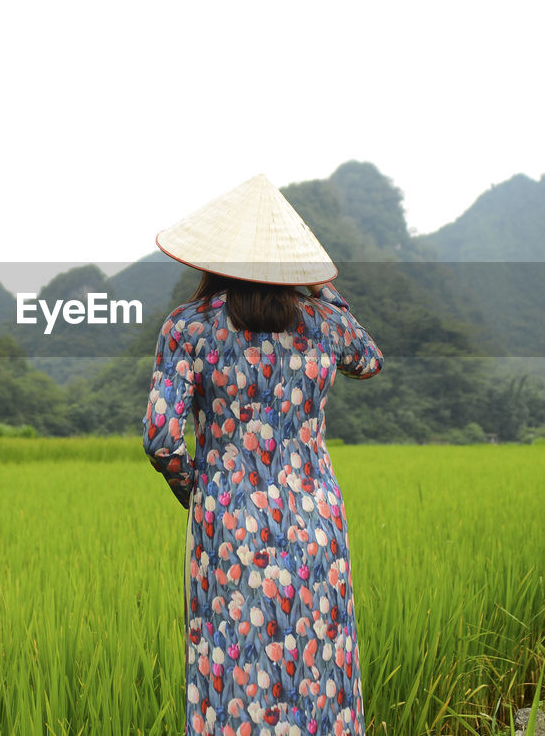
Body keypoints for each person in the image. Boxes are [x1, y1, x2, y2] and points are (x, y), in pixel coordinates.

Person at [143, 174, 383, 736]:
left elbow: (161, 437)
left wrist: (199, 491)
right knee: (318, 663)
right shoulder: (323, 324)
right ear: (293, 263)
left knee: (232, 665)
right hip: (316, 522)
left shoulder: (190, 327)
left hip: (229, 520)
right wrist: (323, 288)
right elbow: (368, 358)